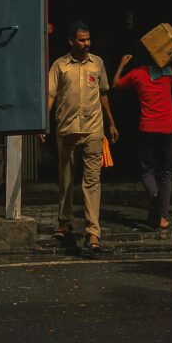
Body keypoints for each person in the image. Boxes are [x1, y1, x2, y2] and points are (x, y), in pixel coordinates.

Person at [48, 21, 118, 252]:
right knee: (66, 181)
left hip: (93, 130)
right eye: (82, 40)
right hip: (67, 130)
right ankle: (64, 222)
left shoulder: (97, 63)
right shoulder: (60, 66)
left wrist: (111, 122)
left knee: (92, 182)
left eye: (88, 40)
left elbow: (103, 94)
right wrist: (42, 125)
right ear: (71, 41)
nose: (87, 44)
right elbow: (51, 95)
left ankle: (93, 232)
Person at [113, 43, 172, 231]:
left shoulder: (137, 74)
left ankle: (155, 199)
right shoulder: (167, 72)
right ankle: (163, 216)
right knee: (166, 173)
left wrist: (121, 64)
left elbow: (115, 84)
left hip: (147, 128)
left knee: (147, 170)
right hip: (168, 128)